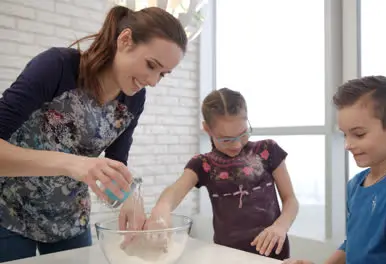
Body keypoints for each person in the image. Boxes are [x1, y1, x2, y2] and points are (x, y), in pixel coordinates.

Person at [0, 5, 187, 262]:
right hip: (8, 213)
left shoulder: (133, 100)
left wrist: (129, 198)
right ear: (125, 40)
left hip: (70, 223)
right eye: (151, 65)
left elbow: (115, 163)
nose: (153, 81)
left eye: (162, 74)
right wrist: (73, 164)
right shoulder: (57, 67)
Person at [283, 76, 386, 264]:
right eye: (345, 135)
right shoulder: (356, 185)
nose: (348, 145)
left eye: (359, 134)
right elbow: (354, 246)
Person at [134, 88, 299, 260]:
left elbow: (290, 199)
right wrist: (161, 209)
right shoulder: (203, 164)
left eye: (243, 134)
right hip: (227, 255)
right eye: (226, 139)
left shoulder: (267, 150)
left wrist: (281, 226)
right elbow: (175, 191)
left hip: (273, 254)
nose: (236, 145)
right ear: (207, 129)